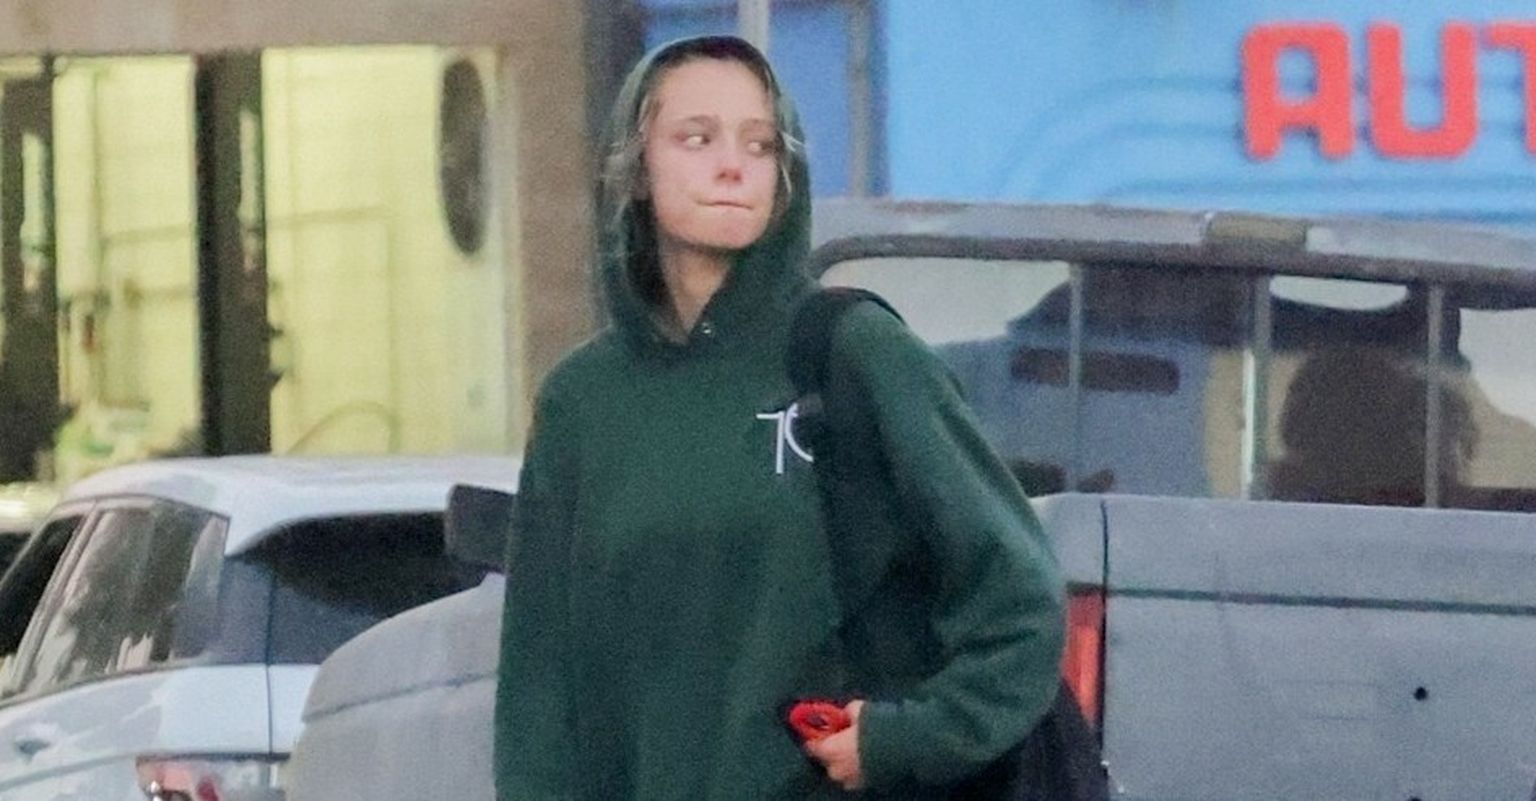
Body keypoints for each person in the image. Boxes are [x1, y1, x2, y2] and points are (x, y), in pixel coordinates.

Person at [495, 35, 1064, 800]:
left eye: (760, 144)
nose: (733, 165)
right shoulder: (581, 402)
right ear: (636, 170)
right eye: (697, 138)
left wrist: (906, 740)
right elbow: (540, 692)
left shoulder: (857, 354)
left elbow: (1020, 598)